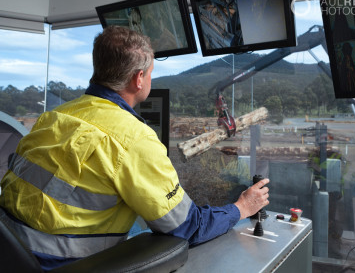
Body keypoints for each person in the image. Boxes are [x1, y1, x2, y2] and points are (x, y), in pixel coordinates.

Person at [0, 26, 270, 270]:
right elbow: (188, 226)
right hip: (62, 265)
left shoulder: (54, 117)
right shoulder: (133, 138)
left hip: (12, 256)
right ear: (139, 78)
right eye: (151, 73)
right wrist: (242, 207)